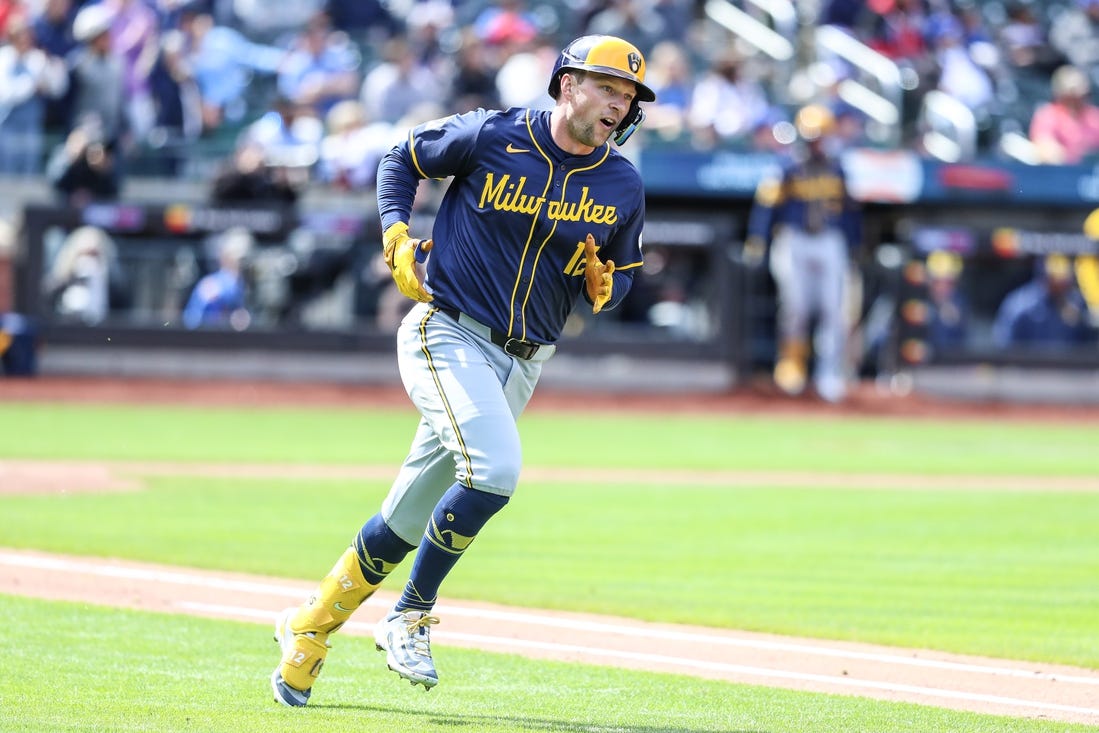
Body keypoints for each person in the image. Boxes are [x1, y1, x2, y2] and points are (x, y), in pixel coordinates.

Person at [270, 33, 653, 707]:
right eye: (606, 87)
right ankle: (410, 613)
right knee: (495, 471)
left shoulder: (621, 180)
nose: (617, 104)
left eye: (626, 95)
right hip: (446, 331)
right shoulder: (490, 134)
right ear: (566, 84)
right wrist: (394, 235)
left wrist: (604, 286)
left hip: (524, 362)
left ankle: (309, 627)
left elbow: (621, 275)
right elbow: (401, 159)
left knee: (404, 516)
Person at [745, 103, 862, 403]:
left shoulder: (838, 168)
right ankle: (791, 366)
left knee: (832, 311)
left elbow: (851, 211)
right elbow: (768, 205)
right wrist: (758, 239)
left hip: (829, 240)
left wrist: (855, 246)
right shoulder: (787, 167)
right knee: (795, 306)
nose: (816, 143)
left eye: (820, 137)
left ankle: (828, 374)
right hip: (794, 239)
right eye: (812, 137)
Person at [991, 253, 1096, 349]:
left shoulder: (1077, 303)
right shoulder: (1020, 306)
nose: (1062, 286)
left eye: (1065, 281)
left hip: (1071, 368)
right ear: (1045, 278)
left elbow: (1088, 345)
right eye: (1056, 280)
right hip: (1029, 367)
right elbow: (1004, 347)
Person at [181, 227, 252, 329]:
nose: (242, 264)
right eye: (238, 259)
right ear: (226, 257)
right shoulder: (211, 284)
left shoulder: (242, 284)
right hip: (209, 339)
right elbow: (192, 320)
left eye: (244, 259)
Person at [1028, 64, 1099, 165]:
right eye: (1073, 94)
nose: (1078, 98)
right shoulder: (1047, 115)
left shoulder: (1095, 116)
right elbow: (1045, 147)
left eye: (1083, 94)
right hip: (1060, 174)